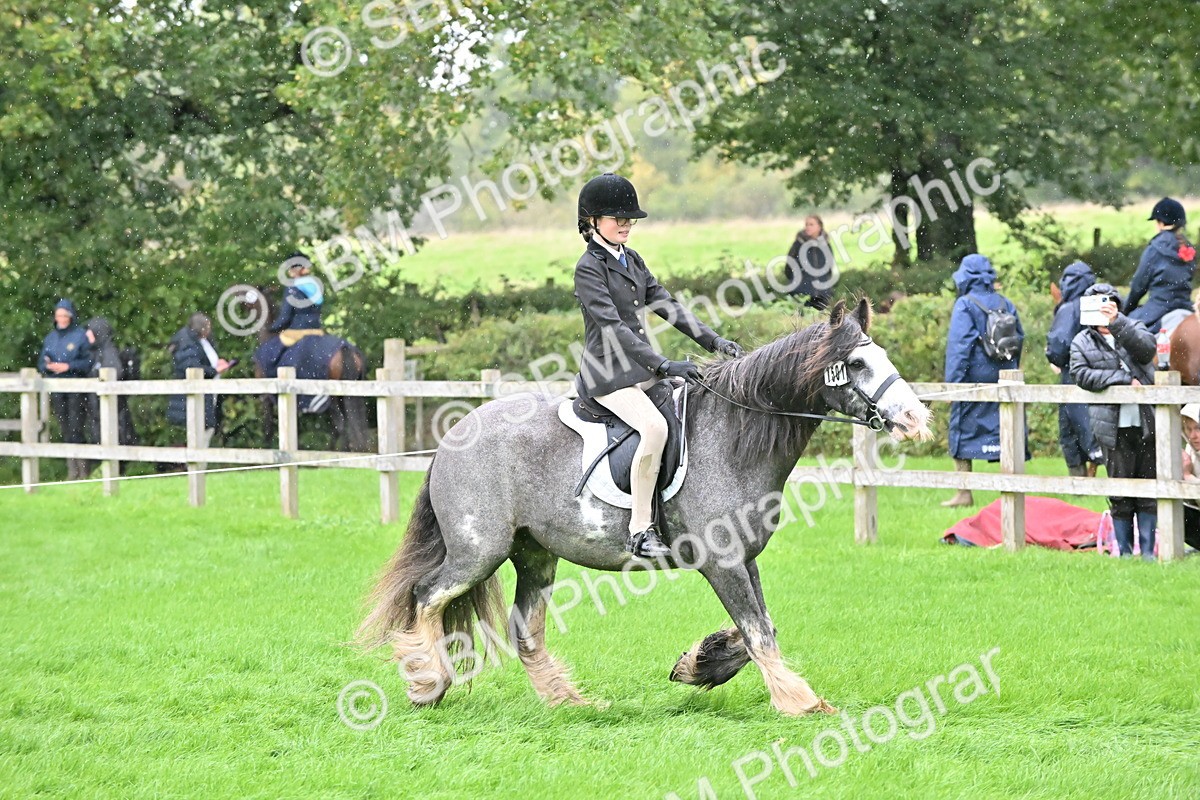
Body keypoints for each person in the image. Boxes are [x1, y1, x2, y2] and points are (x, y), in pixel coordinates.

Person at [573, 173, 744, 558]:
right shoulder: (588, 269)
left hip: (639, 371)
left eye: (629, 218)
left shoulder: (631, 260)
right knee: (653, 427)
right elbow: (614, 328)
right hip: (608, 376)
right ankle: (639, 531)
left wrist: (713, 340)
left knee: (695, 408)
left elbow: (667, 306)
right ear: (592, 221)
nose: (626, 224)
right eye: (617, 218)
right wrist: (665, 366)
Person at [1069, 284, 1157, 559]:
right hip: (1110, 426)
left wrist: (1118, 323)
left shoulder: (1134, 327)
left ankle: (1148, 553)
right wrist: (1120, 379)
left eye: (1107, 303)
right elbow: (1081, 375)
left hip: (1145, 423)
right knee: (1119, 490)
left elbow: (1146, 350)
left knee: (1148, 488)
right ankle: (1125, 553)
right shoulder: (1081, 342)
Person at [942, 254, 1025, 507]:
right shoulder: (1005, 302)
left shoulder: (965, 305)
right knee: (1005, 430)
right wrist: (1012, 370)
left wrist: (952, 386)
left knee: (962, 429)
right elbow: (1019, 338)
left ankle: (964, 492)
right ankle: (1010, 491)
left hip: (973, 380)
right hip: (1004, 378)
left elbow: (959, 347)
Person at [1045, 261, 1103, 477]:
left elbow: (1059, 343)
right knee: (1093, 420)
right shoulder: (1097, 305)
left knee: (1069, 425)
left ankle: (1077, 478)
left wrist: (1056, 358)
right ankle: (1092, 471)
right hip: (1098, 372)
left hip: (1073, 372)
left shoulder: (1069, 308)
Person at [38, 299, 94, 479]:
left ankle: (83, 471)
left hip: (76, 388)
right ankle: (72, 471)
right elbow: (41, 361)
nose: (61, 319)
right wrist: (48, 366)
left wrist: (68, 367)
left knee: (77, 428)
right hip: (57, 387)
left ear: (70, 316)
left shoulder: (80, 336)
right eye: (58, 315)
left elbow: (88, 362)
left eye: (64, 315)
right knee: (65, 429)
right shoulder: (50, 337)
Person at [1125, 197, 1196, 334]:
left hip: (1158, 309)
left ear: (1161, 223)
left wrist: (1127, 308)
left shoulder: (1154, 249)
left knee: (1123, 333)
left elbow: (1139, 285)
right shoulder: (1188, 248)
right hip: (1185, 307)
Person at [83, 317, 139, 476]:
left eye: (90, 330)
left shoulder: (108, 352)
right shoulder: (98, 352)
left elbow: (116, 373)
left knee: (113, 440)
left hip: (110, 410)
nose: (87, 334)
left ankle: (113, 475)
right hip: (101, 409)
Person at [167, 312, 230, 447]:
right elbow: (192, 368)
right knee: (201, 430)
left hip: (206, 393)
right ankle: (196, 465)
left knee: (205, 429)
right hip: (196, 394)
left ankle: (198, 464)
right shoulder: (187, 342)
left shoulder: (199, 340)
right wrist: (215, 371)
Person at [269, 252, 325, 347]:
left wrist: (272, 328)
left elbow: (285, 317)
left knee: (270, 350)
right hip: (317, 330)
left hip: (298, 331)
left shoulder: (292, 287)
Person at [783, 215, 836, 310]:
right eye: (806, 224)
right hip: (801, 293)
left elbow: (829, 268)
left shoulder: (826, 245)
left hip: (822, 294)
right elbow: (789, 267)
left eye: (811, 224)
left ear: (819, 226)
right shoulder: (798, 245)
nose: (808, 227)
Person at [1178, 403, 1200, 552]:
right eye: (1188, 429)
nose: (1193, 436)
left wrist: (1187, 476)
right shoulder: (1190, 451)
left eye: (1198, 429)